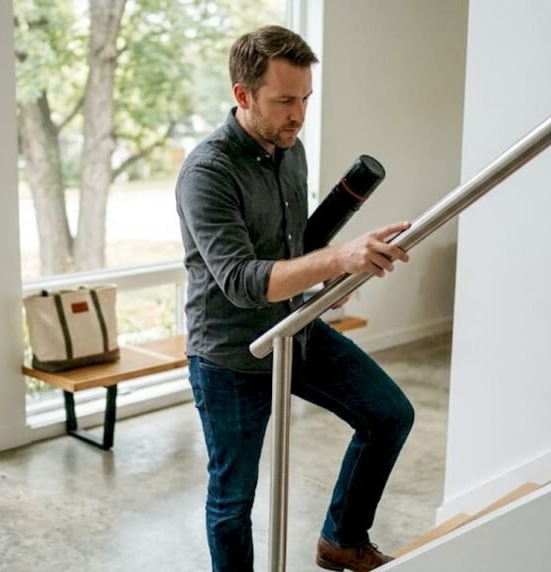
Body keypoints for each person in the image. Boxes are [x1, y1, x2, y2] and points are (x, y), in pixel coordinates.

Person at [175, 25, 414, 572]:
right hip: (233, 354)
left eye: (305, 99)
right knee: (233, 503)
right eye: (284, 100)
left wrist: (340, 266)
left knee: (388, 415)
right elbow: (239, 279)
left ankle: (342, 540)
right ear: (243, 95)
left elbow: (292, 245)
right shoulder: (207, 172)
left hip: (296, 329)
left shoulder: (290, 148)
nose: (299, 115)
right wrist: (336, 259)